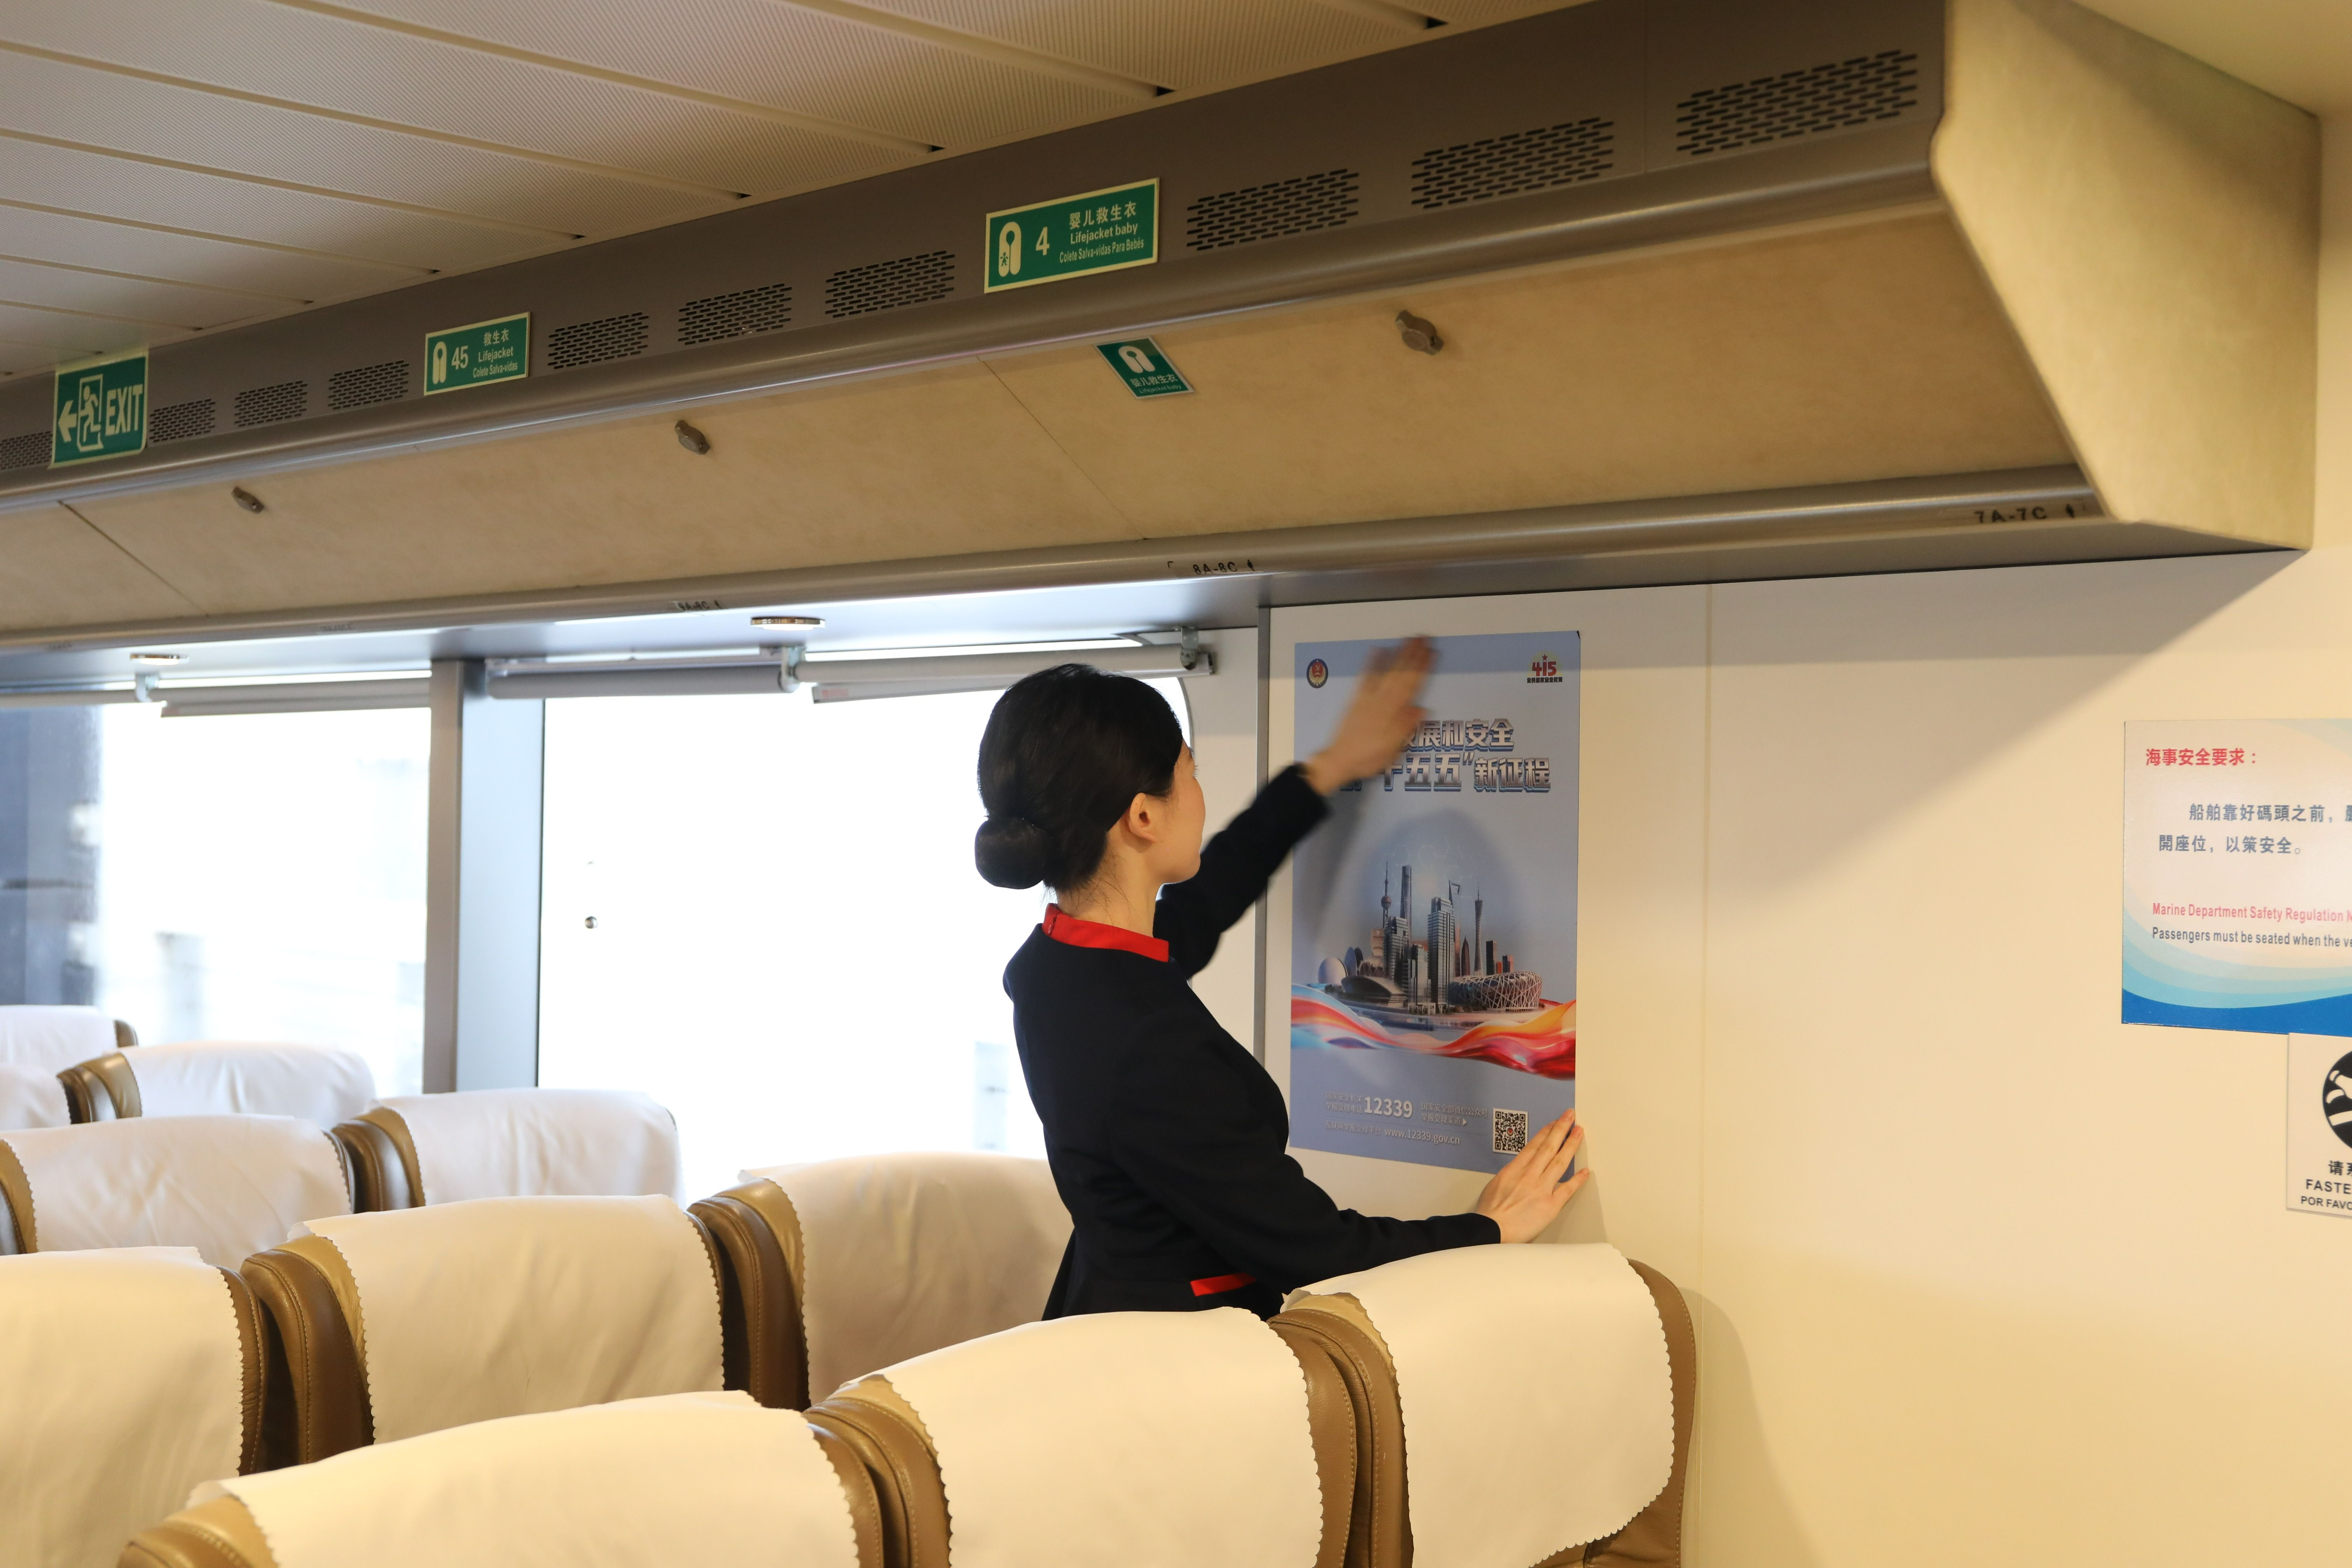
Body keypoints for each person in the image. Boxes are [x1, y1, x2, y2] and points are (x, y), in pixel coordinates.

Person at [976, 639, 1586, 1318]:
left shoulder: (1057, 967)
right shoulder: (1149, 1043)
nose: (1199, 792)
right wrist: (1489, 1229)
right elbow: (1320, 1251)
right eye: (1190, 771)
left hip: (1103, 1309)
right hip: (1173, 1350)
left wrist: (1330, 768)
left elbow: (1206, 902)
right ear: (1143, 816)